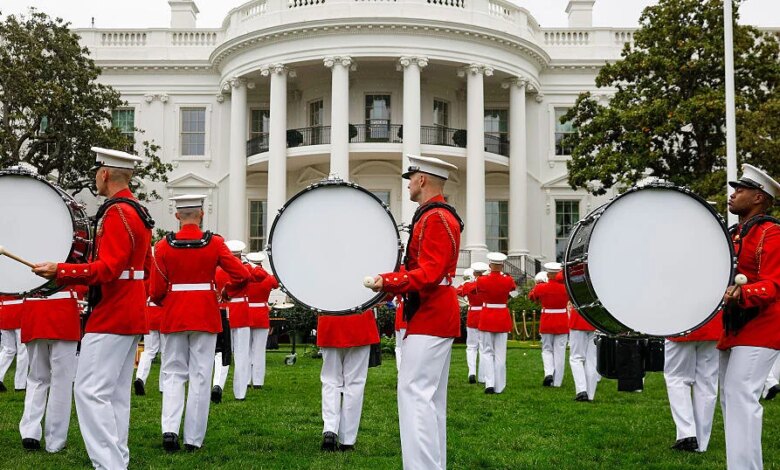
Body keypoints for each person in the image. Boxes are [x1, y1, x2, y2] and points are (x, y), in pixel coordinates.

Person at [32, 147, 154, 470]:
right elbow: (145, 267)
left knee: (88, 390)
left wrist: (62, 270)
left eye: (97, 171)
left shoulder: (116, 212)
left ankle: (109, 464)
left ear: (104, 174)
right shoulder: (139, 211)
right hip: (131, 310)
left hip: (112, 313)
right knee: (114, 394)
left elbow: (108, 268)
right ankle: (117, 460)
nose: (95, 177)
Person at [369, 154, 463, 470]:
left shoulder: (435, 218)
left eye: (411, 178)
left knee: (416, 395)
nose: (408, 183)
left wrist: (389, 280)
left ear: (422, 180)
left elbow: (431, 272)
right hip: (432, 313)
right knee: (429, 399)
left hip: (431, 313)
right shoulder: (432, 215)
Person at [150, 194, 249, 452]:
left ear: (177, 216)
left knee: (172, 373)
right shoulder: (214, 243)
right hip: (205, 313)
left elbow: (156, 290)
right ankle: (193, 438)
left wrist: (169, 302)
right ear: (201, 214)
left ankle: (169, 430)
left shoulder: (162, 246)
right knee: (201, 376)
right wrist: (226, 291)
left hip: (174, 313)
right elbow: (242, 274)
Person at [719, 163, 780, 470]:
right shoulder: (734, 234)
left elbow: (774, 284)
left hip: (763, 325)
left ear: (758, 197)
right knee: (731, 400)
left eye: (740, 190)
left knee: (740, 396)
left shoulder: (773, 233)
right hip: (735, 326)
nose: (733, 194)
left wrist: (744, 293)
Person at [18, 288, 82, 452]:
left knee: (37, 378)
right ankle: (55, 441)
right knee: (62, 382)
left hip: (34, 310)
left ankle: (29, 432)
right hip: (63, 309)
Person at [316, 308, 380, 451]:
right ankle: (347, 439)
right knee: (355, 383)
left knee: (330, 381)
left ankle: (330, 430)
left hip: (330, 321)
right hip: (360, 322)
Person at [663, 311, 722, 452]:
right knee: (707, 383)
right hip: (713, 323)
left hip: (680, 322)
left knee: (677, 379)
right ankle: (701, 443)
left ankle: (687, 434)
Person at [212, 240, 252, 403]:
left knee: (222, 351)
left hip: (222, 310)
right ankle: (240, 392)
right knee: (241, 353)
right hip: (240, 310)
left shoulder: (218, 270)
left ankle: (218, 384)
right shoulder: (246, 268)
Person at [475, 252, 517, 394]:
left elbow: (479, 291)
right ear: (502, 265)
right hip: (502, 317)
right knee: (500, 354)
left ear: (489, 265)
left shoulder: (482, 280)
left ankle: (489, 384)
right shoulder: (508, 280)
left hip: (487, 317)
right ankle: (499, 386)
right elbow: (512, 291)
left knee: (487, 352)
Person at [528, 263, 569, 387]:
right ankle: (557, 382)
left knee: (546, 349)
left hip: (547, 320)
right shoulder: (566, 288)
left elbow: (531, 297)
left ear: (548, 274)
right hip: (562, 321)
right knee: (560, 352)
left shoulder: (541, 287)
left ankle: (548, 373)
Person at [244, 251, 277, 389]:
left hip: (246, 313)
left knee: (245, 350)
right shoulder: (267, 277)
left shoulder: (245, 275)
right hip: (262, 314)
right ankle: (258, 381)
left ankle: (245, 380)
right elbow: (276, 283)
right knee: (259, 350)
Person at [135, 278, 165, 396]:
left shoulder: (146, 279)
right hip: (163, 314)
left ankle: (140, 378)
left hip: (150, 314)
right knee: (166, 353)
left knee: (149, 351)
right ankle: (163, 385)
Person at [456, 266, 484, 384]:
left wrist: (465, 283)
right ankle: (483, 374)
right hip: (484, 314)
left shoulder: (467, 286)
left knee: (471, 346)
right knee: (484, 347)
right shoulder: (484, 284)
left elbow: (458, 292)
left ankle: (472, 372)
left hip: (472, 315)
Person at [568, 302, 600, 402]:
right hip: (595, 320)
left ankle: (581, 391)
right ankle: (590, 394)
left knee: (576, 358)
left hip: (579, 318)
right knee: (592, 360)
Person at [0, 294, 28, 392]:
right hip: (19, 309)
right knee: (23, 350)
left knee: (8, 349)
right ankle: (20, 385)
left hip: (4, 309)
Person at [393, 295, 407, 372]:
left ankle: (401, 373)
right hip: (404, 318)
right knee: (401, 348)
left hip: (402, 316)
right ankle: (402, 373)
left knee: (400, 348)